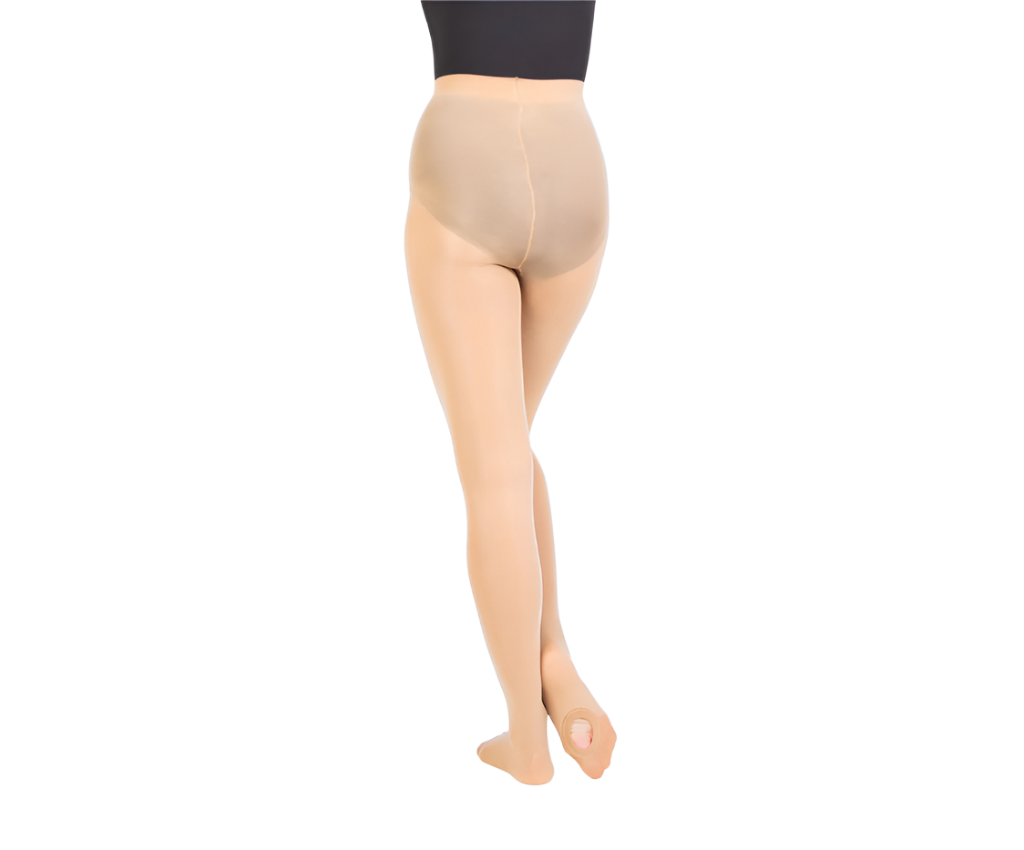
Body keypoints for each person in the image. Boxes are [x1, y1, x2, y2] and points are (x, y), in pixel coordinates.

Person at [404, 0, 616, 785]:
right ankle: (552, 657)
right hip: (574, 157)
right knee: (510, 445)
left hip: (468, 150)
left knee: (493, 474)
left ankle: (526, 741)